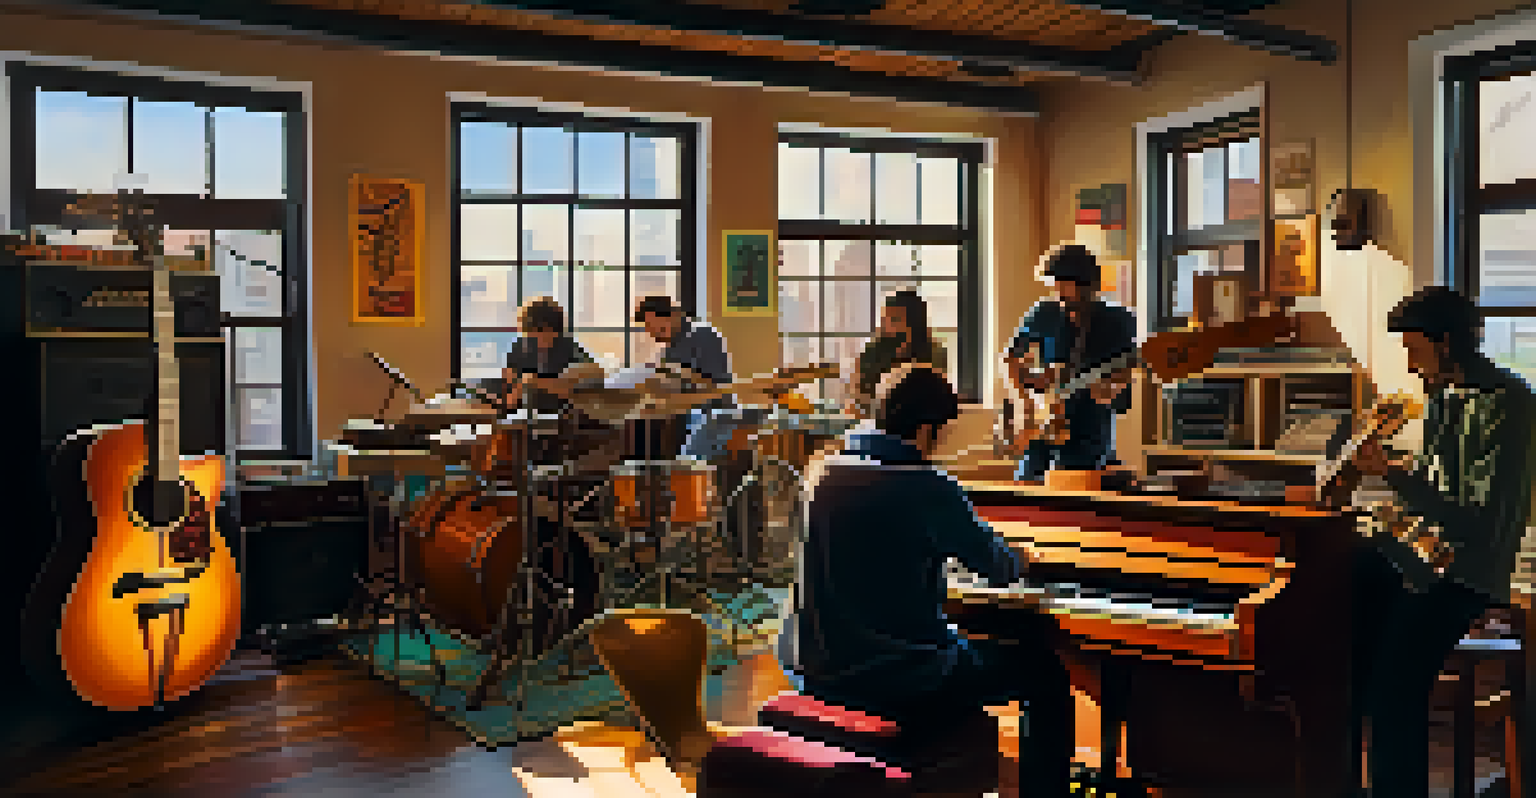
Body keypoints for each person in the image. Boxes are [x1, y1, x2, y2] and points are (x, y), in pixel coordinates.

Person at [796, 363, 1073, 797]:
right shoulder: (927, 484)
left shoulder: (823, 474)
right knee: (1044, 673)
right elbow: (999, 568)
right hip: (900, 678)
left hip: (818, 671)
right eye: (941, 432)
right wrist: (1026, 555)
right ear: (926, 429)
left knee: (966, 639)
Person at [1345, 285, 1536, 798]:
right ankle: (1335, 776)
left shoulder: (1507, 403)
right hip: (1426, 562)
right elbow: (1432, 492)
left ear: (1446, 342)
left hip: (1467, 575)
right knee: (1340, 600)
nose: (1409, 362)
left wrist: (1394, 477)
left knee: (1393, 685)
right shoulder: (1441, 396)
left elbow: (1475, 520)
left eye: (1414, 348)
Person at [1004, 243, 1137, 481]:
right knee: (1026, 487)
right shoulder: (1044, 313)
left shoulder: (1118, 320)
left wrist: (1112, 388)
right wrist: (1024, 402)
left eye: (1064, 284)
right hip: (1044, 425)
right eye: (1055, 284)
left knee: (1075, 491)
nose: (1058, 291)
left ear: (1086, 283)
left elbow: (1125, 373)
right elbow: (1012, 359)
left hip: (1090, 429)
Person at [633, 295, 741, 461]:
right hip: (685, 415)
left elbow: (717, 386)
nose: (655, 336)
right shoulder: (669, 349)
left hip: (714, 414)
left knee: (687, 464)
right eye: (651, 332)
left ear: (674, 315)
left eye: (659, 329)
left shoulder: (704, 335)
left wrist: (678, 372)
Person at [851, 288, 949, 418]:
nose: (887, 325)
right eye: (885, 319)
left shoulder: (933, 351)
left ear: (915, 322)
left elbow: (936, 395)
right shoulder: (872, 351)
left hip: (921, 421)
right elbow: (858, 398)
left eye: (895, 319)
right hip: (878, 420)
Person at [501, 296, 604, 414]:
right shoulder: (520, 349)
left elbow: (595, 375)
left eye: (541, 330)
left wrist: (536, 382)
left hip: (564, 416)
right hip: (526, 416)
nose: (535, 336)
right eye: (530, 331)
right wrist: (513, 394)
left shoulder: (568, 347)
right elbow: (511, 389)